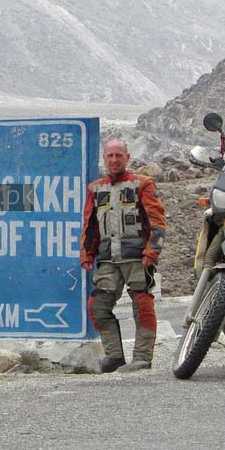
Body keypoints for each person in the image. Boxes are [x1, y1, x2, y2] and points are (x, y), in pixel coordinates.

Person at [79, 139, 166, 372]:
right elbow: (90, 225)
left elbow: (157, 221)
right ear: (104, 158)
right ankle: (114, 356)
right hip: (107, 259)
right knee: (97, 306)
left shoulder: (143, 184)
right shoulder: (95, 189)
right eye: (110, 156)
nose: (114, 160)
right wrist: (86, 254)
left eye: (119, 155)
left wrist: (152, 251)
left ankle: (142, 357)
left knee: (142, 304)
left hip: (137, 257)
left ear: (127, 158)